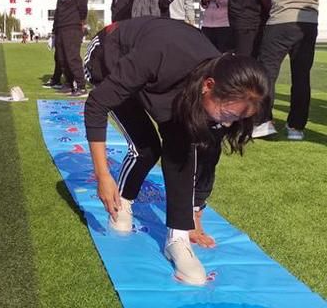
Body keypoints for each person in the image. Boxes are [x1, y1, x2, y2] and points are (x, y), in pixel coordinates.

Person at [83, 17, 268, 286]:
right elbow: (97, 105)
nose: (228, 123)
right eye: (228, 114)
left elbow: (207, 152)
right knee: (146, 147)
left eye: (237, 120)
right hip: (110, 55)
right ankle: (123, 200)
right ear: (209, 86)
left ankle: (177, 239)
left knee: (184, 143)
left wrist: (195, 213)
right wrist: (102, 175)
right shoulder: (160, 53)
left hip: (167, 80)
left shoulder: (223, 84)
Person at [254, 0, 325, 141]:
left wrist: (270, 5)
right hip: (308, 22)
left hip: (281, 20)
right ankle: (296, 128)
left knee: (267, 73)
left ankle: (263, 122)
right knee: (301, 76)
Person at [53, 0, 88, 97]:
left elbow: (83, 9)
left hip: (72, 28)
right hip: (61, 29)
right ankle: (68, 84)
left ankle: (81, 86)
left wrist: (80, 23)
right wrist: (54, 30)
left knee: (72, 58)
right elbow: (58, 11)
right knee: (62, 58)